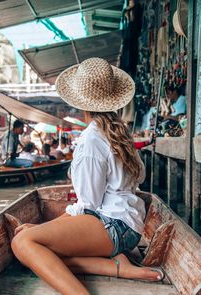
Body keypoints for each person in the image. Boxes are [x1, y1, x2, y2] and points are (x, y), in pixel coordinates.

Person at [11, 58, 164, 295]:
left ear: (80, 103)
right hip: (129, 227)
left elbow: (88, 206)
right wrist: (42, 228)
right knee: (39, 254)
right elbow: (138, 176)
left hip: (112, 227)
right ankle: (118, 266)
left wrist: (42, 229)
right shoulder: (120, 132)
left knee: (22, 243)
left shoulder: (91, 141)